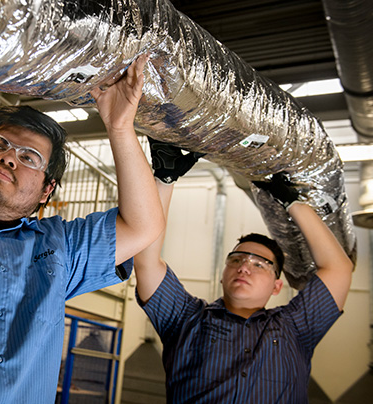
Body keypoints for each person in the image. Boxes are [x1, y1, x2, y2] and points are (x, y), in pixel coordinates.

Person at [0, 54, 164, 403]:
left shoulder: (59, 248)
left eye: (29, 158)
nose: (8, 157)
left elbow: (143, 225)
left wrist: (119, 127)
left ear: (46, 190)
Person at [133, 139, 354, 403]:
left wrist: (293, 203)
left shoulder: (296, 326)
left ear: (276, 286)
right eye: (237, 259)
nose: (245, 267)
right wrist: (165, 178)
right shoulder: (185, 319)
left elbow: (339, 268)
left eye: (260, 264)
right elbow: (146, 262)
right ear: (222, 274)